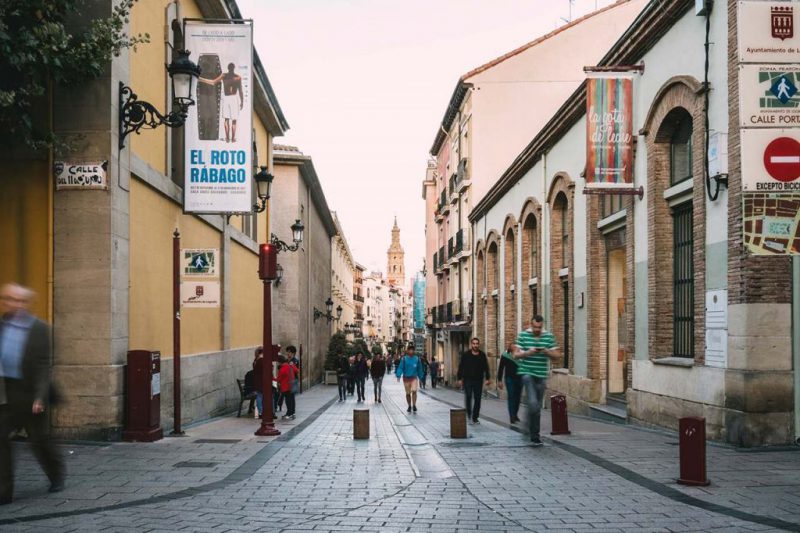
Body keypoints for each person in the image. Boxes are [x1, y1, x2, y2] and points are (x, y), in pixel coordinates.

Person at [0, 283, 65, 503]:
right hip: (6, 393)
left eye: (18, 300)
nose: (13, 304)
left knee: (39, 440)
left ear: (26, 303)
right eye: (8, 299)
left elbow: (42, 365)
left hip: (30, 394)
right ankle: (4, 491)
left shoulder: (39, 328)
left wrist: (39, 396)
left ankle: (56, 474)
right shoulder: (2, 326)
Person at [513, 314, 560, 447]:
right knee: (533, 403)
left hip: (541, 375)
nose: (537, 330)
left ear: (542, 325)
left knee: (536, 407)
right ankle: (530, 428)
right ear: (531, 324)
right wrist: (528, 353)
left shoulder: (548, 337)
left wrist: (546, 351)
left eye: (539, 327)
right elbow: (515, 355)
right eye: (535, 327)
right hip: (527, 373)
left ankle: (534, 435)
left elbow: (557, 355)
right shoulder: (523, 336)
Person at [199, 62, 243, 143]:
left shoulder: (225, 76)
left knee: (227, 119)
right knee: (233, 120)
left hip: (228, 98)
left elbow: (213, 82)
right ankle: (232, 139)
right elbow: (240, 91)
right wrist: (242, 102)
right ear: (233, 68)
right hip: (233, 98)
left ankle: (227, 138)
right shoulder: (237, 77)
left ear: (228, 68)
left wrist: (201, 79)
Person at [456, 338, 491, 424]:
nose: (475, 345)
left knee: (478, 399)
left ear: (478, 345)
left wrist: (487, 378)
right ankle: (469, 414)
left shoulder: (482, 355)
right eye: (474, 344)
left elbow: (486, 367)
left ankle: (475, 417)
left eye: (477, 344)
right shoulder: (466, 355)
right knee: (468, 396)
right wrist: (459, 378)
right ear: (471, 344)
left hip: (478, 380)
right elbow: (461, 367)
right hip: (468, 379)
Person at [395, 345, 425, 413]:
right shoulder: (404, 359)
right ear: (408, 351)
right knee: (408, 393)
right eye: (410, 350)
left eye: (412, 350)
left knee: (414, 391)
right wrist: (398, 375)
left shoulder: (417, 359)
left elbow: (419, 368)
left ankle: (414, 405)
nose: (411, 351)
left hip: (414, 378)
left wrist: (421, 377)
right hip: (406, 378)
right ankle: (409, 405)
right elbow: (400, 367)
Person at [497, 343, 522, 424]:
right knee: (511, 396)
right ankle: (512, 416)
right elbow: (501, 368)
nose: (514, 348)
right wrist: (499, 380)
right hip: (509, 379)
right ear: (509, 348)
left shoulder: (520, 355)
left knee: (517, 397)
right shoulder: (505, 355)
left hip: (519, 379)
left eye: (515, 347)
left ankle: (515, 414)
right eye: (513, 347)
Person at [276, 356, 298, 420]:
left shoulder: (282, 368)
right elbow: (297, 371)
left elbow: (278, 379)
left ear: (280, 362)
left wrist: (272, 378)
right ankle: (293, 413)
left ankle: (288, 414)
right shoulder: (290, 365)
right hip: (292, 385)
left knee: (288, 400)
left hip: (286, 387)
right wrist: (293, 365)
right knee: (292, 399)